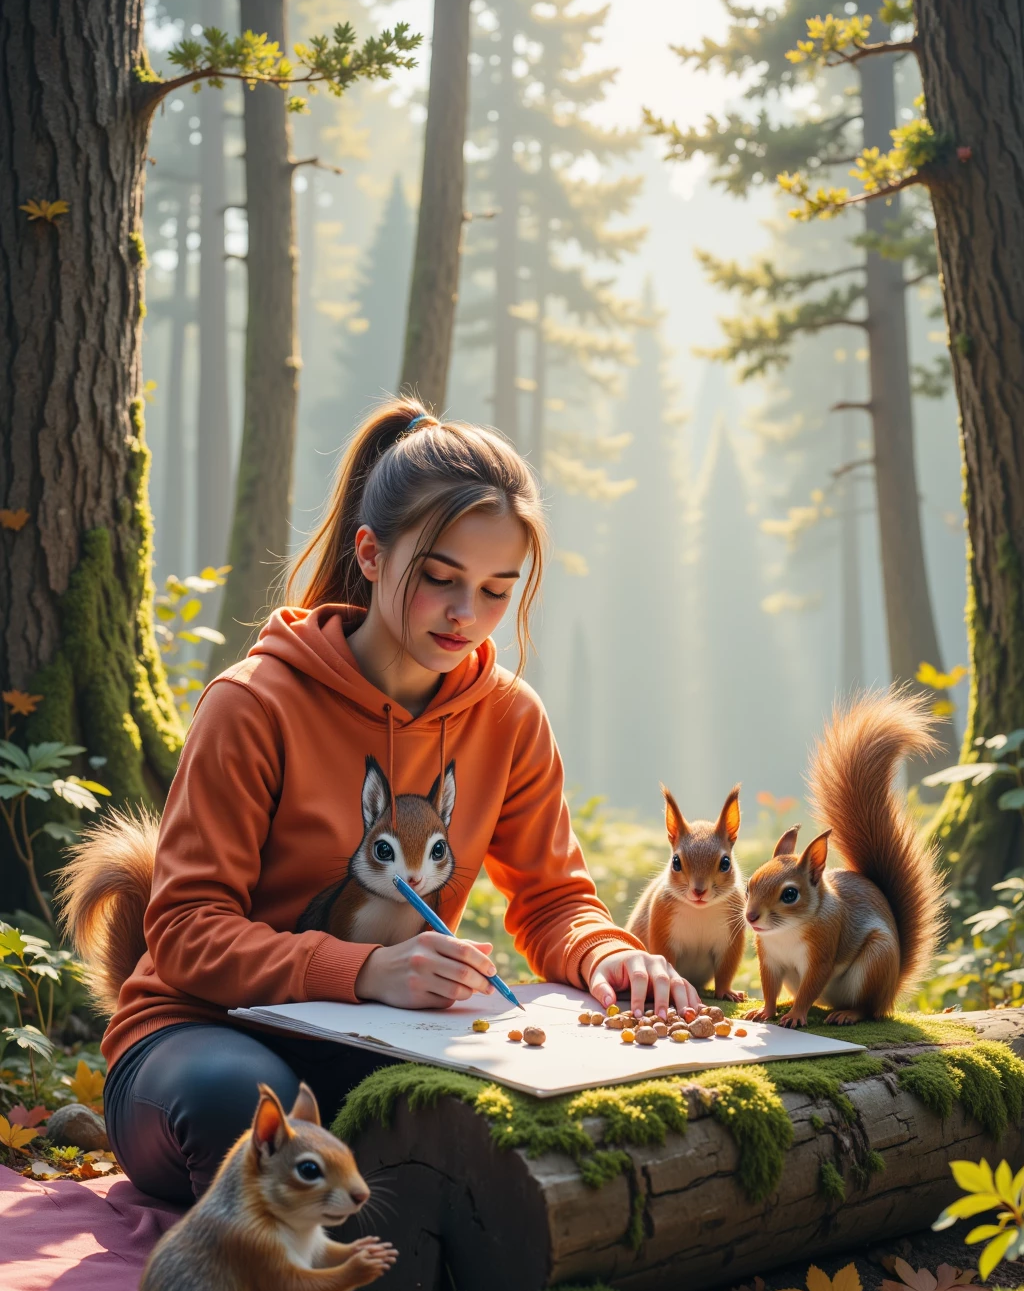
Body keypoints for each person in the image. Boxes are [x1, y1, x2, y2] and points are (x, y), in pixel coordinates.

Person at [62, 399, 700, 1203]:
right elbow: (186, 933)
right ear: (370, 552)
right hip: (199, 1034)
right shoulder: (254, 704)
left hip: (386, 1036)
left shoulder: (508, 717)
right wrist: (363, 969)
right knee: (252, 1110)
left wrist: (610, 954)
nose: (467, 615)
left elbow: (552, 901)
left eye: (498, 590)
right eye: (440, 580)